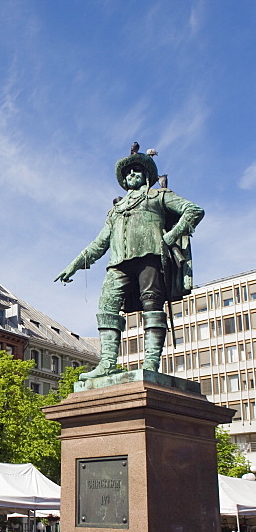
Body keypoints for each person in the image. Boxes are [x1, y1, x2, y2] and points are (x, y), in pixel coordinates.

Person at [55, 145, 204, 379]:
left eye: (136, 170)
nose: (130, 175)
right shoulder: (115, 210)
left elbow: (193, 210)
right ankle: (107, 363)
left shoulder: (159, 196)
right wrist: (74, 264)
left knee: (152, 306)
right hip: (118, 263)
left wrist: (169, 236)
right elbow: (99, 243)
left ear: (146, 175)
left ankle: (151, 363)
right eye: (127, 173)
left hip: (150, 257)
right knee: (106, 307)